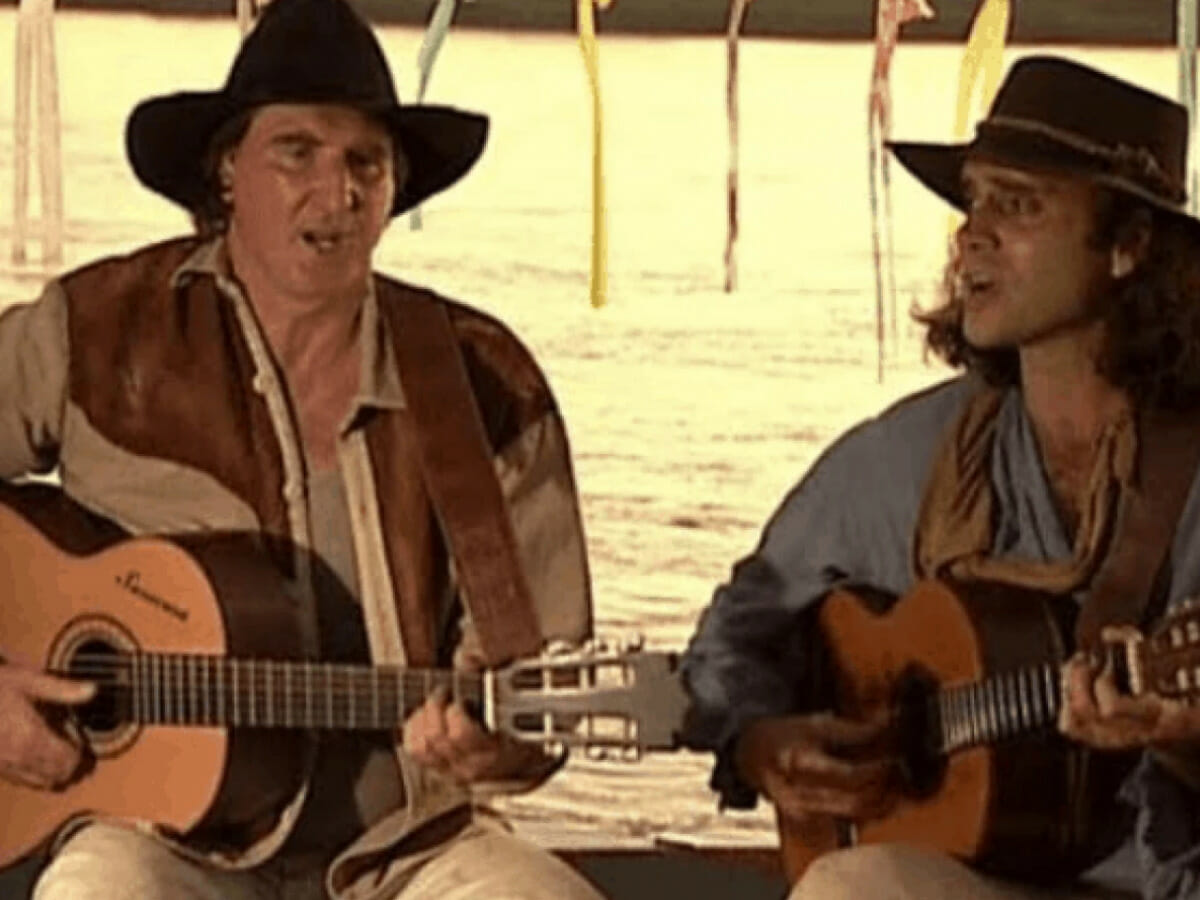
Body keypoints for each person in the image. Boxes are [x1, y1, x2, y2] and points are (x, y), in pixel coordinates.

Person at [0, 0, 606, 898]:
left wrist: (500, 743)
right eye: (298, 152)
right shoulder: (92, 329)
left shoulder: (486, 380)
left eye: (367, 161)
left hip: (415, 847)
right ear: (227, 172)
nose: (339, 191)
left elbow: (543, 686)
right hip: (157, 842)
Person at [682, 55, 1200, 900]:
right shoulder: (912, 455)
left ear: (1130, 246)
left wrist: (1184, 741)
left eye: (1020, 204)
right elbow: (742, 622)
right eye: (975, 199)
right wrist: (758, 739)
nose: (973, 234)